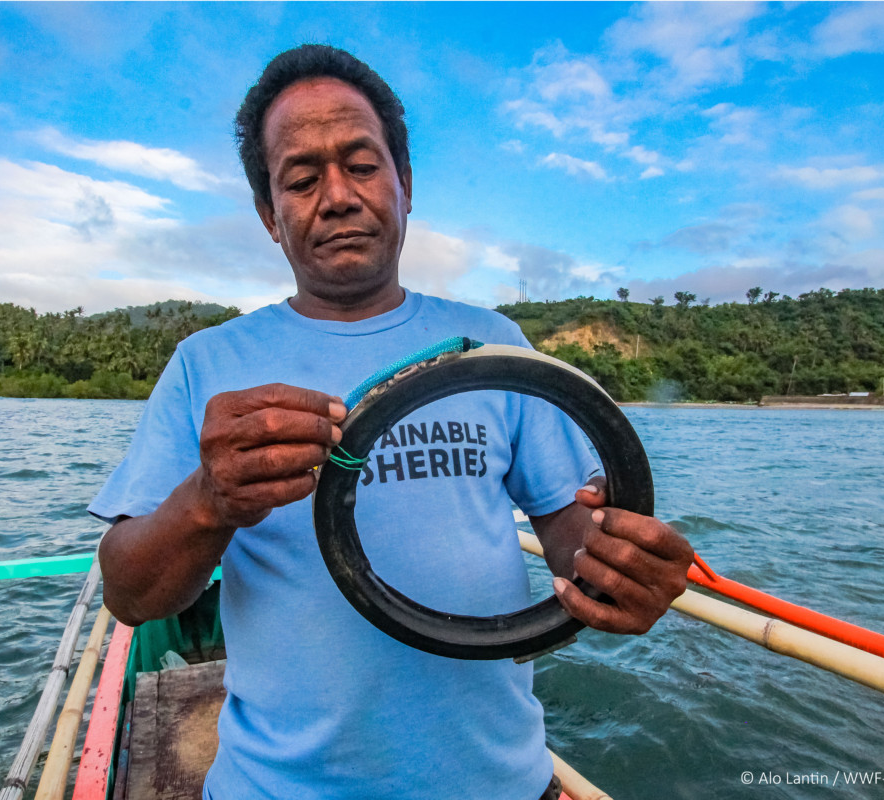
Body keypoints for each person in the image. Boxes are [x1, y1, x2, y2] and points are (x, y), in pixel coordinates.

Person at [91, 44, 693, 800]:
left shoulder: (497, 344)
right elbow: (130, 595)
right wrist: (207, 501)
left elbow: (575, 541)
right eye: (301, 179)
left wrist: (623, 573)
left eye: (362, 165)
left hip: (497, 785)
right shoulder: (206, 364)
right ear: (268, 216)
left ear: (404, 184)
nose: (337, 196)